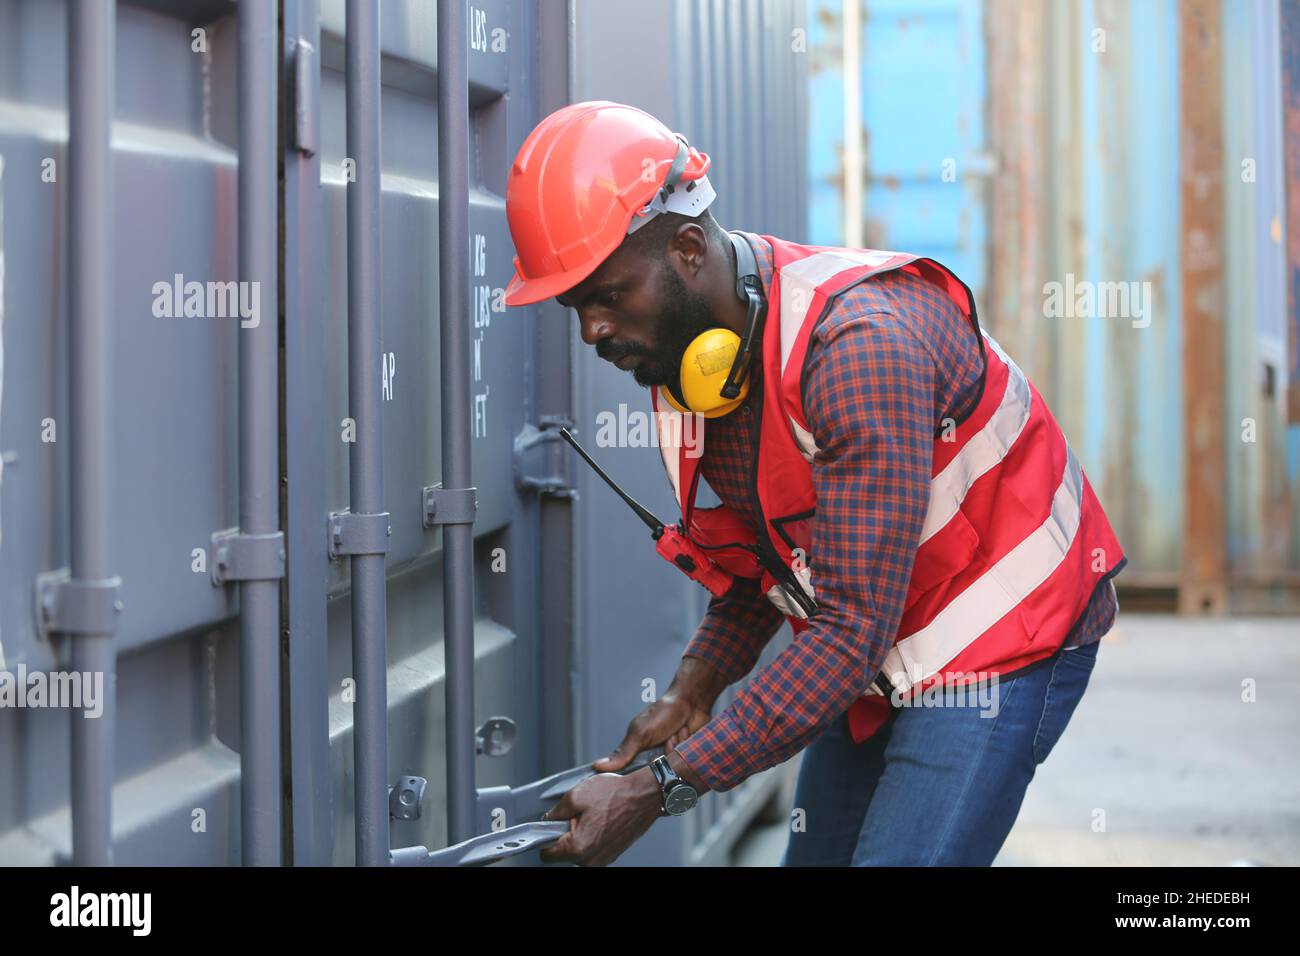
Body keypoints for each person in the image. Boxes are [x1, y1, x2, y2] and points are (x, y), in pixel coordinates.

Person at [503, 101, 1126, 867]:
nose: (592, 331)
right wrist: (692, 690)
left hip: (997, 636)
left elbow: (849, 629)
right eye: (576, 308)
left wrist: (656, 789)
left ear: (690, 249)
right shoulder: (690, 367)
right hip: (876, 641)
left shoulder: (857, 348)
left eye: (606, 295)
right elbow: (763, 564)